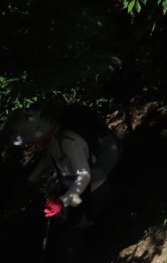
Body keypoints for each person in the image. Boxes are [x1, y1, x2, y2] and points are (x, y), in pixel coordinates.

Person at [7, 107, 115, 262]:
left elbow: (84, 175)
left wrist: (61, 202)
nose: (30, 143)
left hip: (93, 190)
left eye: (29, 139)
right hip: (76, 193)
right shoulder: (54, 142)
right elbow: (47, 161)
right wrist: (30, 179)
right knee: (75, 232)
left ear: (40, 132)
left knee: (76, 234)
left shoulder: (69, 142)